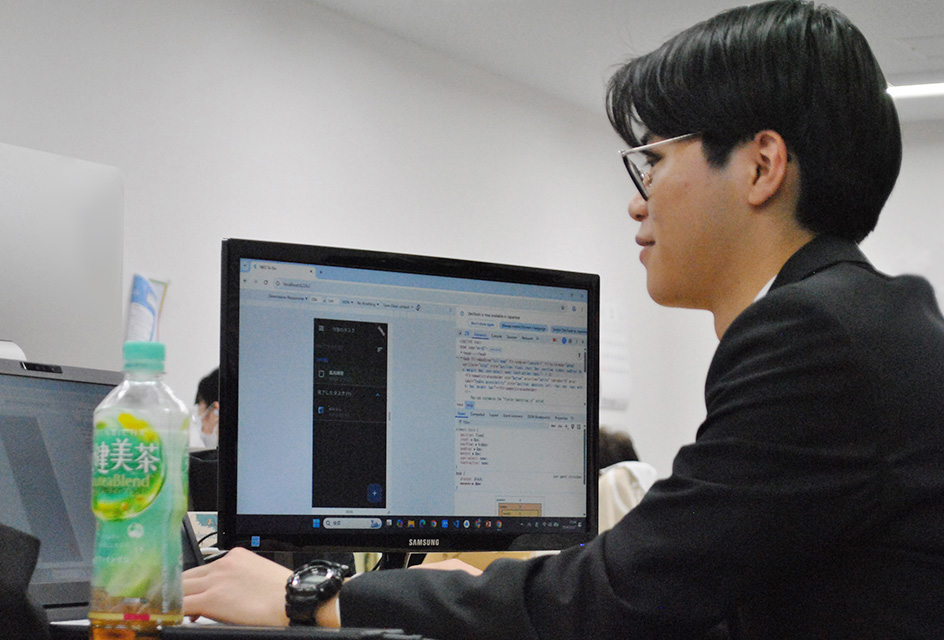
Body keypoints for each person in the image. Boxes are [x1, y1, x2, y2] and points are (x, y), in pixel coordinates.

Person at [181, 1, 944, 637]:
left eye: (654, 160)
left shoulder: (816, 338)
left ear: (760, 166)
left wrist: (310, 597)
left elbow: (616, 598)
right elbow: (701, 592)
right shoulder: (869, 319)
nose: (637, 202)